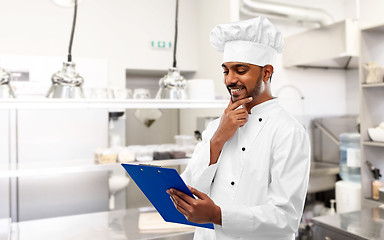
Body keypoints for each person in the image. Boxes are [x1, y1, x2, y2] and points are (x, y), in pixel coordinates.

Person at [167, 16, 311, 240]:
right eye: (226, 71)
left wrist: (218, 215)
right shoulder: (217, 126)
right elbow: (188, 189)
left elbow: (286, 217)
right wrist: (217, 140)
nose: (229, 80)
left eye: (240, 70)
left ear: (266, 72)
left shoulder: (288, 131)